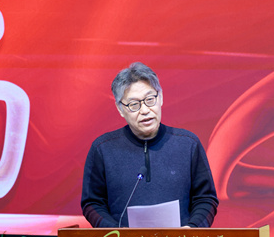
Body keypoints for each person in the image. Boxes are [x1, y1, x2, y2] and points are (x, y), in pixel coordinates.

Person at [81, 62, 219, 228]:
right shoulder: (103, 149)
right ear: (120, 109)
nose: (145, 110)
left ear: (160, 98)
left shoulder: (188, 144)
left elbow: (206, 199)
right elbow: (92, 203)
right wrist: (115, 232)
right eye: (134, 104)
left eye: (150, 100)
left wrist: (193, 229)